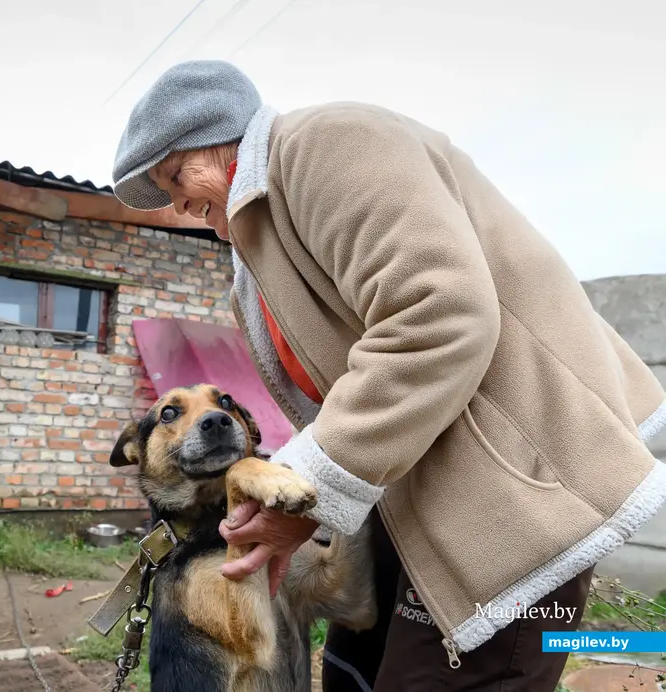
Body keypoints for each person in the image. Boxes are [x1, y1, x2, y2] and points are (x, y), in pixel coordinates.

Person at [109, 59, 666, 691]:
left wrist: (307, 489)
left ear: (219, 139)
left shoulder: (329, 146)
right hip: (413, 493)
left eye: (177, 175)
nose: (178, 204)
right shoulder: (263, 250)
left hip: (507, 488)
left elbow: (439, 314)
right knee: (352, 674)